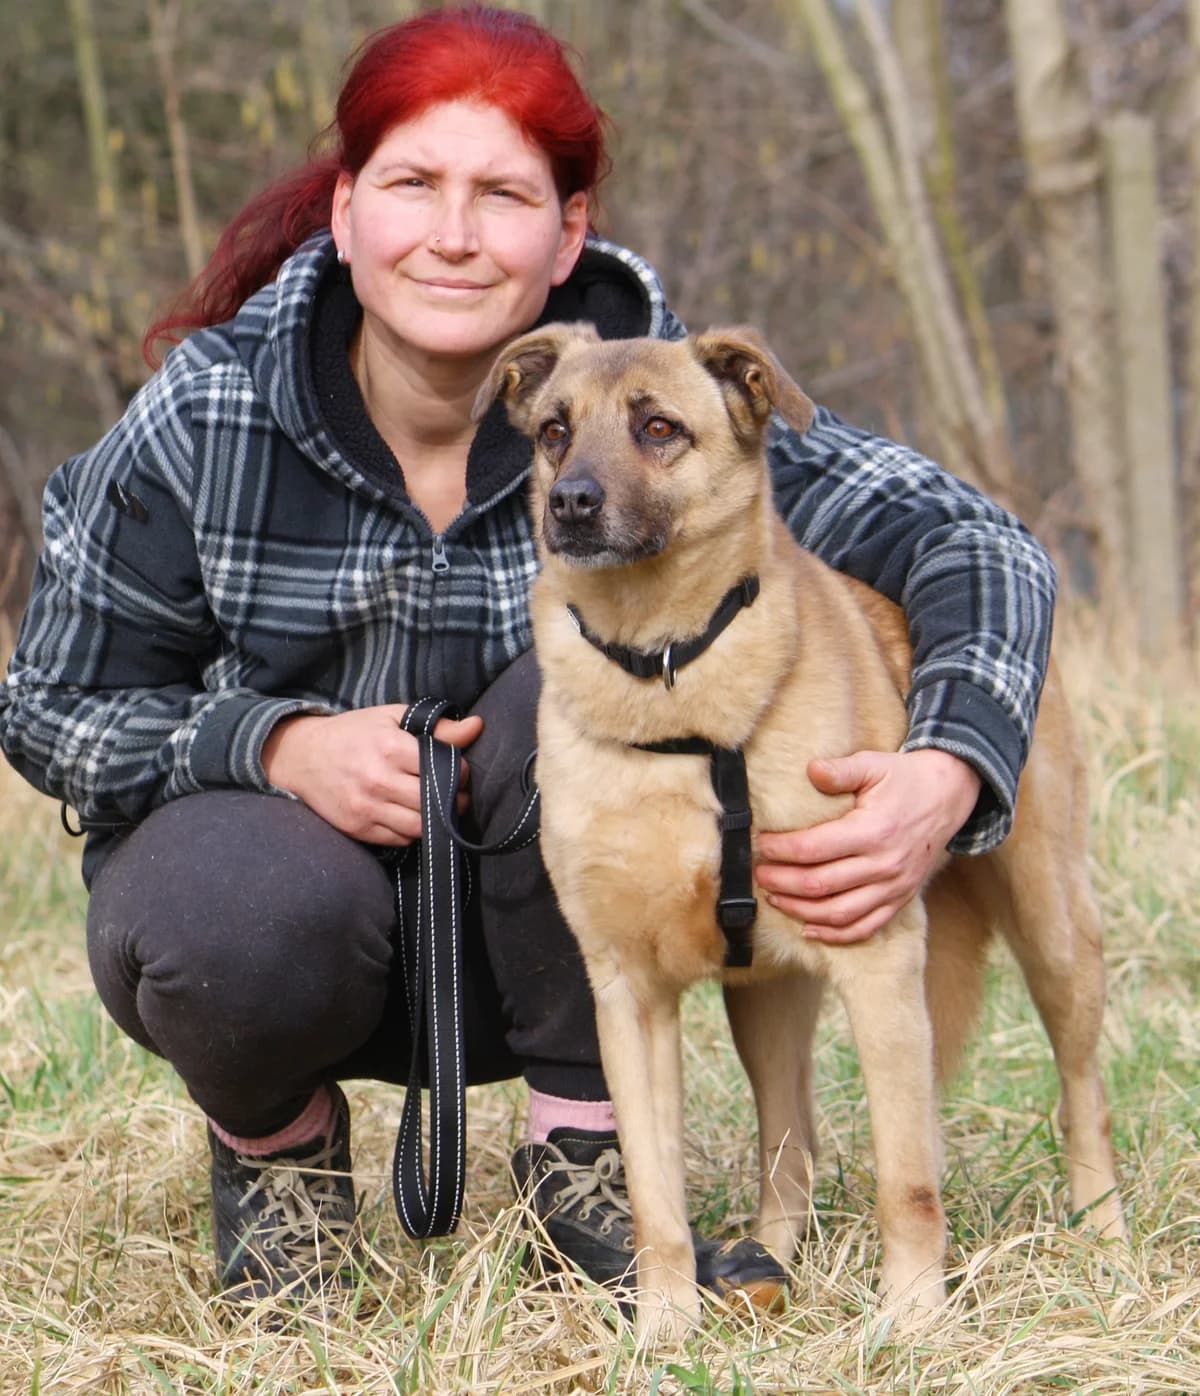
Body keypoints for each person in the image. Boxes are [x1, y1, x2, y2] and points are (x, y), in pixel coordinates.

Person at [0, 5, 1055, 1307]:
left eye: (501, 195)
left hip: (555, 948)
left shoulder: (665, 402)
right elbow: (51, 706)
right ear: (346, 211)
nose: (452, 234)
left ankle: (584, 1160)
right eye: (412, 185)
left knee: (564, 694)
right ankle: (278, 1151)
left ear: (567, 233)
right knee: (227, 911)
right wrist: (274, 743)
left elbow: (976, 544)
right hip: (287, 927)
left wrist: (949, 768)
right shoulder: (210, 412)